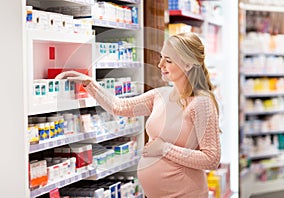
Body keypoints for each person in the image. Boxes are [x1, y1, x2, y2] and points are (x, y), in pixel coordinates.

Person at [56, 32, 221, 198]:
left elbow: (211, 159)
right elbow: (120, 106)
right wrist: (89, 83)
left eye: (168, 60)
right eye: (162, 57)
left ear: (188, 65)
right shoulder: (160, 95)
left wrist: (165, 148)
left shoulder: (201, 103)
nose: (160, 64)